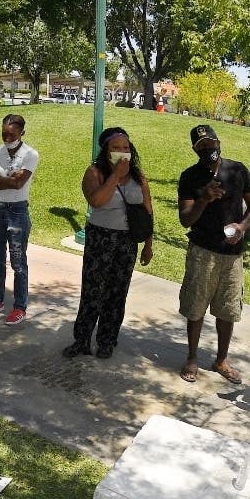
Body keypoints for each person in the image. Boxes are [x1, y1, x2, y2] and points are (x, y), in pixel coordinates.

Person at [177, 124, 250, 383]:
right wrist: (203, 199)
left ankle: (222, 359)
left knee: (228, 308)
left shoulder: (236, 170)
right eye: (201, 146)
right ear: (194, 149)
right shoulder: (190, 177)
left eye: (210, 143)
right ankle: (192, 358)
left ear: (218, 142)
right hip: (203, 250)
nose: (207, 149)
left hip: (232, 254)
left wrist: (242, 227)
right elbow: (185, 220)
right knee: (196, 305)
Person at [61, 127, 154, 359]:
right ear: (106, 151)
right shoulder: (94, 173)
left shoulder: (138, 178)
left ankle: (106, 341)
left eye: (126, 148)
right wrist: (115, 175)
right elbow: (97, 201)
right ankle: (81, 340)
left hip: (126, 241)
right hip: (100, 238)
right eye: (116, 148)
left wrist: (148, 244)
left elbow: (147, 211)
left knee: (117, 293)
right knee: (93, 291)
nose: (122, 152)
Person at [0, 115, 39, 325]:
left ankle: (20, 306)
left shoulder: (30, 154)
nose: (7, 137)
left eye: (11, 134)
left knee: (17, 261)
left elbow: (18, 184)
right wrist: (7, 181)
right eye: (4, 133)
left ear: (22, 132)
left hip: (17, 210)